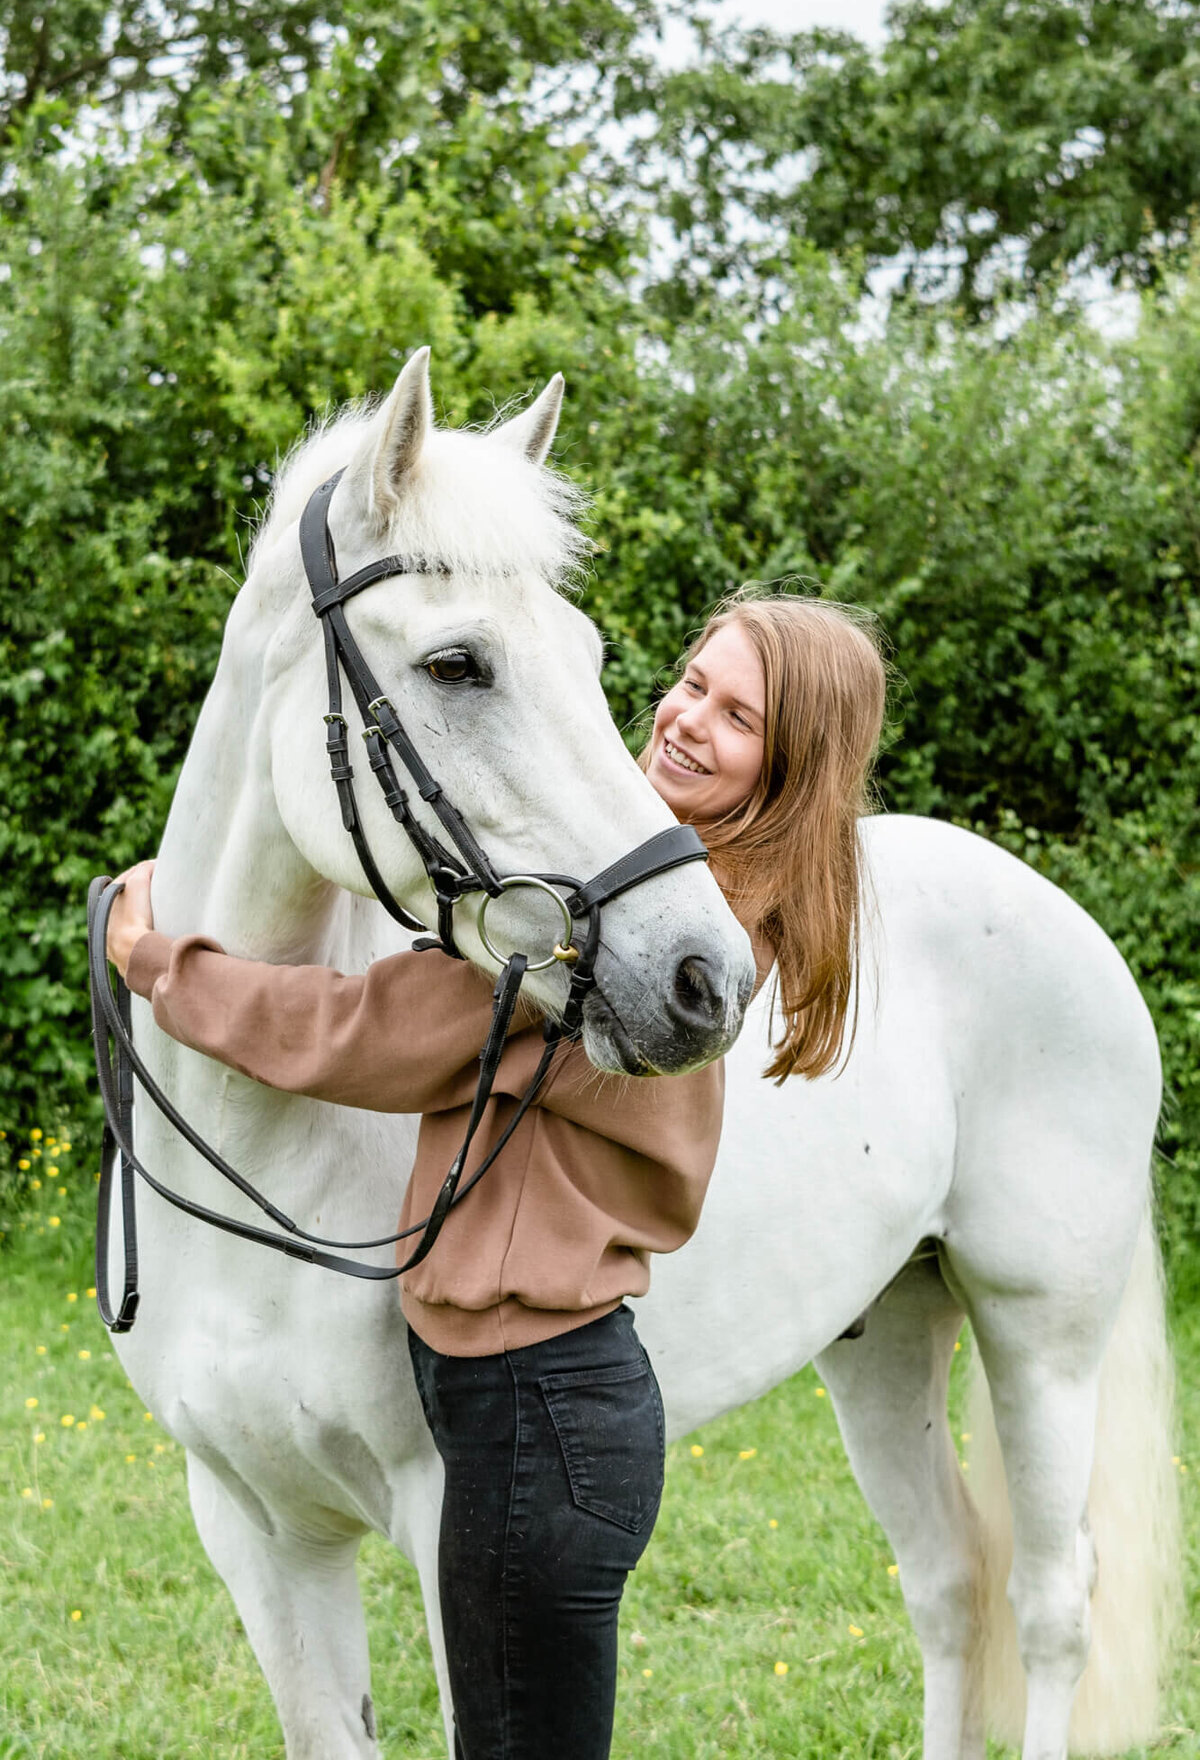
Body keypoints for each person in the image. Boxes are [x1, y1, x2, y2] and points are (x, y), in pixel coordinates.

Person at [105, 588, 886, 1760]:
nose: (684, 718)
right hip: (515, 1400)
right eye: (692, 682)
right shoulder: (620, 886)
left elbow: (382, 1031)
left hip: (544, 1411)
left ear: (789, 768)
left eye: (739, 719)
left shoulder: (639, 942)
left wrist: (155, 960)